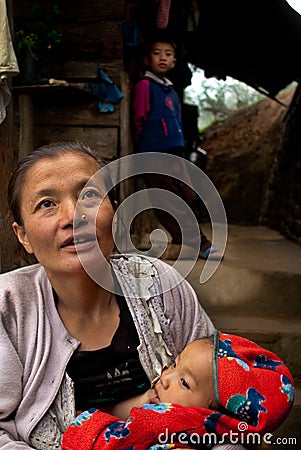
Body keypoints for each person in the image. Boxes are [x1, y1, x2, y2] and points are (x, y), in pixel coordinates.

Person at [0, 141, 236, 450]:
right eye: (47, 203)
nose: (73, 215)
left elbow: (223, 398)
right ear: (23, 236)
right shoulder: (8, 308)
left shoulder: (160, 286)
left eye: (89, 195)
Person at [62, 331, 295, 449]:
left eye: (184, 383)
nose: (165, 377)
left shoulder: (163, 421)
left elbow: (108, 442)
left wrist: (81, 423)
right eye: (174, 364)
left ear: (215, 410)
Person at [132, 35, 223, 260]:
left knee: (189, 196)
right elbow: (139, 118)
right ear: (146, 60)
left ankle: (185, 240)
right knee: (167, 200)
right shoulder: (145, 86)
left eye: (168, 54)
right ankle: (200, 243)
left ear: (174, 62)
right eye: (157, 53)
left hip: (175, 153)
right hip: (154, 153)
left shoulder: (171, 91)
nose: (163, 58)